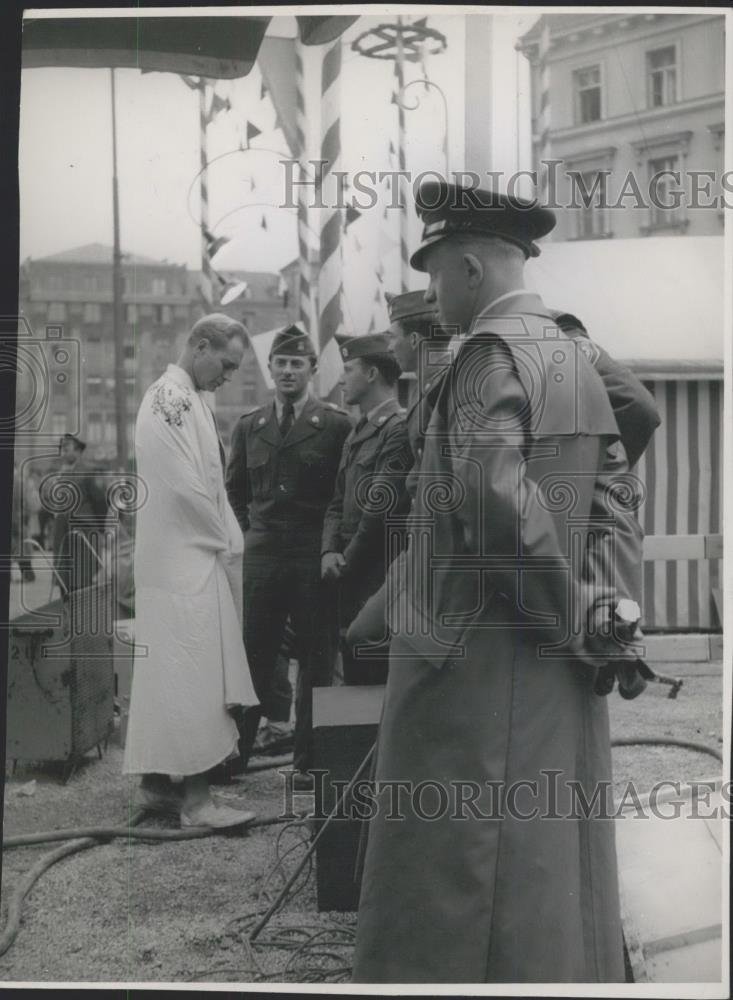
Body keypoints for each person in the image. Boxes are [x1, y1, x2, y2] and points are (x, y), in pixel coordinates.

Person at [352, 181, 633, 983]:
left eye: (436, 272)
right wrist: (607, 624)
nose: (433, 292)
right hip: (550, 662)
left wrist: (576, 618)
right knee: (546, 865)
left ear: (469, 267)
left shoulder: (483, 354)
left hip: (474, 665)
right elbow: (614, 495)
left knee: (460, 881)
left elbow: (496, 512)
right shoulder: (569, 349)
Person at [122, 313, 257, 829]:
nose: (227, 375)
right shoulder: (170, 400)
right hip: (185, 560)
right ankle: (198, 803)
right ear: (200, 346)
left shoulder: (192, 398)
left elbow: (207, 483)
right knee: (193, 675)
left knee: (171, 675)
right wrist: (225, 541)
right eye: (225, 363)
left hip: (183, 556)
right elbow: (184, 487)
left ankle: (157, 787)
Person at [226, 325, 351, 790]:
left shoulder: (336, 425)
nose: (288, 371)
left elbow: (343, 493)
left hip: (310, 557)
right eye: (280, 363)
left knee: (316, 662)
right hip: (262, 558)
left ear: (313, 371)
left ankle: (308, 763)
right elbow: (234, 491)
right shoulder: (249, 426)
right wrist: (250, 536)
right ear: (270, 369)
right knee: (253, 657)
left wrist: (327, 545)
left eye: (297, 364)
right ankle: (235, 757)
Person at [321, 333, 412, 685]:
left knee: (376, 681)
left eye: (348, 369)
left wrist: (344, 561)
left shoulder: (397, 429)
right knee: (356, 679)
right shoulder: (357, 430)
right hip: (348, 574)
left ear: (372, 374)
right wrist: (329, 550)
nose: (341, 378)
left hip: (375, 574)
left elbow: (379, 510)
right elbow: (335, 502)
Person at [50, 434, 108, 594]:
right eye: (61, 448)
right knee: (65, 580)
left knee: (83, 581)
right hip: (63, 535)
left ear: (78, 451)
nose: (62, 452)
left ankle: (83, 616)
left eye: (66, 448)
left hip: (84, 535)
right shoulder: (61, 473)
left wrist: (102, 531)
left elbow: (100, 503)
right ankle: (68, 614)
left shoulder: (88, 472)